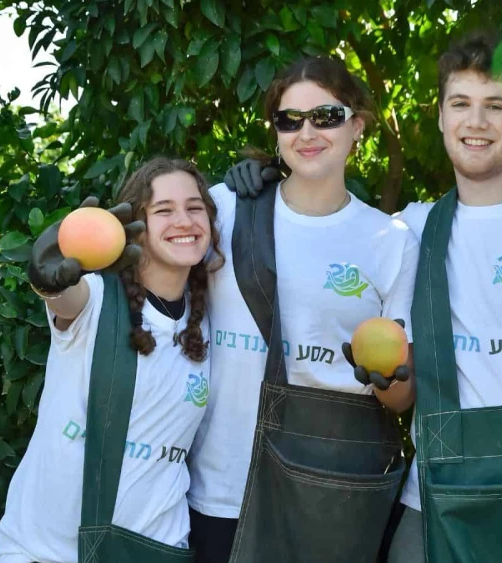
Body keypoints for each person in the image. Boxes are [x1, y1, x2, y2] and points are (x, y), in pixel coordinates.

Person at [227, 33, 502, 563]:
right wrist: (265, 184)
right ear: (441, 117)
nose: (476, 121)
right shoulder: (411, 230)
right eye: (461, 104)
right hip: (440, 498)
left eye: (495, 106)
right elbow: (328, 234)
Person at [186, 56, 420, 563]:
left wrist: (389, 378)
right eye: (290, 120)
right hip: (222, 485)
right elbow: (155, 293)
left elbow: (401, 401)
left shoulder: (391, 240)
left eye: (326, 117)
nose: (307, 133)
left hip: (329, 489)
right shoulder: (226, 208)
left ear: (357, 126)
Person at [0, 157, 223, 563]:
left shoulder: (207, 317)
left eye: (194, 207)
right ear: (136, 226)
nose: (184, 221)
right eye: (164, 210)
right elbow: (66, 298)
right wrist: (48, 279)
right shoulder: (98, 298)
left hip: (155, 549)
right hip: (44, 551)